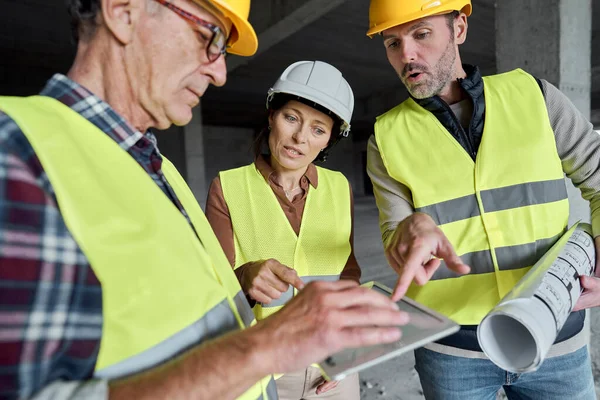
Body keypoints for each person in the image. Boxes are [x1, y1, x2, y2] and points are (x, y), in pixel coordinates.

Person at [0, 0, 410, 398]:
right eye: (208, 36)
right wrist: (264, 346)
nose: (220, 73)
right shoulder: (15, 152)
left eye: (318, 130)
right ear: (123, 10)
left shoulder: (160, 169)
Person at [365, 0, 600, 398]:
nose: (407, 55)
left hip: (554, 335)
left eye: (421, 34)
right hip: (452, 351)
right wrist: (408, 234)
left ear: (458, 28)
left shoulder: (535, 97)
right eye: (392, 43)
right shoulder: (385, 137)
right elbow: (393, 234)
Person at [206, 60, 361, 400]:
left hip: (333, 360)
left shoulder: (339, 187)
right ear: (271, 116)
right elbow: (212, 288)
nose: (299, 138)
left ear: (328, 141)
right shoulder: (228, 187)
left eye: (318, 130)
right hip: (264, 365)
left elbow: (348, 273)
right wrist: (246, 276)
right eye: (291, 118)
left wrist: (348, 353)